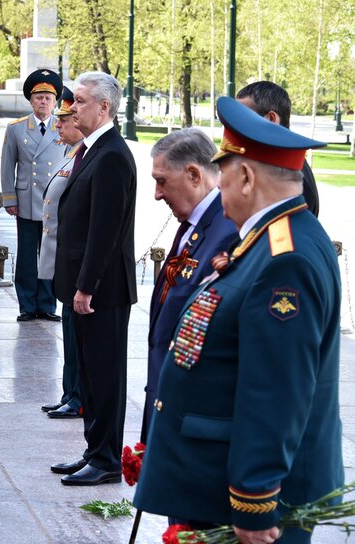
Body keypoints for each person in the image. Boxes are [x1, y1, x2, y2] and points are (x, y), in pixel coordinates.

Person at [134, 96, 341, 544]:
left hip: (256, 497)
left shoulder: (286, 259)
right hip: (221, 475)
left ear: (245, 177)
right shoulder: (271, 241)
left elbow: (275, 390)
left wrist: (254, 497)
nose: (217, 185)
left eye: (222, 172)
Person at [51, 71, 136, 486]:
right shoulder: (91, 150)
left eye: (81, 101)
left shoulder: (113, 155)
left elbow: (106, 230)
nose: (72, 107)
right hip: (84, 284)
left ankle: (106, 460)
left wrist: (87, 286)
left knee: (104, 376)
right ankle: (93, 451)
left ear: (104, 107)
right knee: (88, 372)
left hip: (103, 289)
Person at [140, 128, 238, 443]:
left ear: (194, 175)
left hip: (189, 404)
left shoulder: (226, 231)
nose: (157, 193)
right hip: (167, 390)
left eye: (162, 181)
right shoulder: (196, 224)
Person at [0, 69, 64, 322]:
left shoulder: (64, 127)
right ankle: (27, 304)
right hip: (26, 201)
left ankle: (48, 304)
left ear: (55, 101)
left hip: (54, 202)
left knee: (50, 255)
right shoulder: (16, 129)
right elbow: (8, 166)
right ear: (30, 100)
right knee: (27, 256)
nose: (43, 103)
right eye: (39, 98)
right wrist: (9, 198)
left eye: (48, 98)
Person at [38, 87, 85, 420]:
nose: (58, 126)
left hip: (73, 259)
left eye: (63, 121)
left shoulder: (83, 156)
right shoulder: (71, 154)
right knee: (68, 331)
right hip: (62, 258)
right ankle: (70, 392)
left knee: (75, 333)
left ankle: (77, 395)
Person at [237, 81, 319, 216]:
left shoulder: (290, 173)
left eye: (244, 118)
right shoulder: (283, 163)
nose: (238, 126)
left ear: (271, 119)